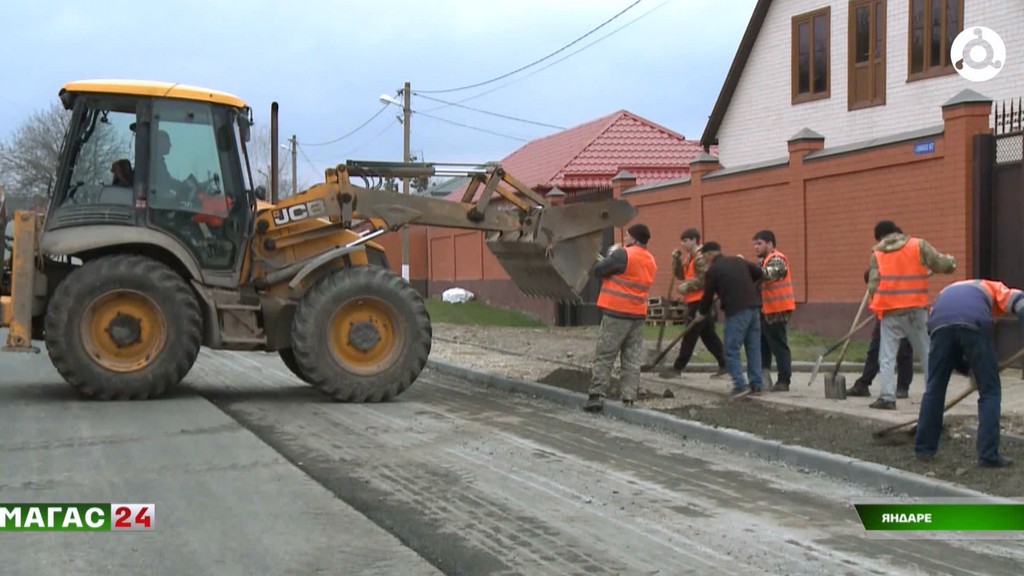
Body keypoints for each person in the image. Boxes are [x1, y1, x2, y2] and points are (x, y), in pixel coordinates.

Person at [915, 279, 1024, 468]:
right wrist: (981, 373)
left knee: (934, 389)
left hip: (938, 325)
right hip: (973, 322)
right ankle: (988, 455)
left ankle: (924, 449)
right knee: (990, 391)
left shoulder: (946, 291)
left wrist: (970, 370)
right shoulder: (995, 287)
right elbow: (1021, 304)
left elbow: (949, 345)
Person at [866, 220, 956, 409]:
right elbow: (941, 264)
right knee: (926, 351)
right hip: (916, 309)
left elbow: (873, 285)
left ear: (882, 236)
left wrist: (877, 305)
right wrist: (950, 263)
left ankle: (888, 397)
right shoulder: (918, 245)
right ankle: (934, 394)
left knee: (887, 355)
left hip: (890, 312)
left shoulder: (878, 253)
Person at [584, 223, 657, 413]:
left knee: (605, 354)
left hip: (616, 313)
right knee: (632, 358)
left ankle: (596, 395)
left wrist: (612, 254)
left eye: (627, 236)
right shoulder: (650, 259)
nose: (624, 239)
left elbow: (599, 270)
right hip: (638, 315)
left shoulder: (623, 254)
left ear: (633, 238)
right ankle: (629, 398)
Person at [697, 242, 764, 398]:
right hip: (754, 309)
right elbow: (759, 273)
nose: (704, 260)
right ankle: (756, 384)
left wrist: (701, 313)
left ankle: (740, 385)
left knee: (731, 350)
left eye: (704, 257)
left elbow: (707, 296)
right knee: (753, 348)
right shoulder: (739, 261)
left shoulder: (713, 270)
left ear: (709, 255)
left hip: (736, 311)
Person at [660, 228, 727, 378]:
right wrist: (676, 261)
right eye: (682, 241)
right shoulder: (690, 257)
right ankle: (725, 363)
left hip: (701, 301)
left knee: (690, 334)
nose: (682, 244)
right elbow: (680, 275)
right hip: (694, 300)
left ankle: (677, 367)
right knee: (708, 335)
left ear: (694, 240)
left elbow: (705, 278)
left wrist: (688, 285)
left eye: (685, 240)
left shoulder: (701, 257)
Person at [848, 268, 914, 398]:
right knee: (875, 350)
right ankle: (863, 384)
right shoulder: (875, 288)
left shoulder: (895, 279)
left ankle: (902, 387)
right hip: (884, 317)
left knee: (903, 351)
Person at [753, 230, 794, 392]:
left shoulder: (777, 260)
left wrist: (747, 267)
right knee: (763, 346)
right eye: (755, 244)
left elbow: (768, 275)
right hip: (765, 310)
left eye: (759, 243)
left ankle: (784, 380)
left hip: (778, 310)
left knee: (778, 346)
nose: (756, 247)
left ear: (770, 244)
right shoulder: (763, 261)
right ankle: (764, 379)